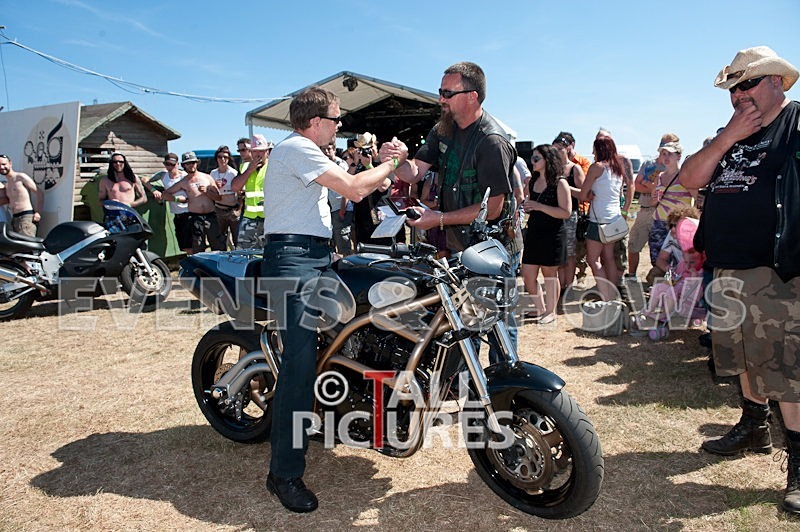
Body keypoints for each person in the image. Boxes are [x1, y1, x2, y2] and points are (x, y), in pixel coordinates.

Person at [261, 86, 405, 513]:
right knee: (300, 363)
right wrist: (390, 163)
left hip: (321, 255)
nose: (340, 126)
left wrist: (384, 168)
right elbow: (356, 189)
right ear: (315, 120)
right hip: (292, 260)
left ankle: (366, 418)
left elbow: (354, 192)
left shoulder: (314, 154)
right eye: (336, 118)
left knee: (367, 327)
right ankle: (283, 473)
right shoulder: (296, 148)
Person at [681, 45, 800, 515]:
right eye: (733, 87)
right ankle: (755, 426)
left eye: (747, 83)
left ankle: (799, 467)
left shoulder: (795, 124)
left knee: (787, 374)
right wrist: (727, 137)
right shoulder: (728, 134)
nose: (738, 95)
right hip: (726, 267)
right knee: (743, 360)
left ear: (776, 82)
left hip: (776, 271)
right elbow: (691, 179)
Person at [383, 61, 517, 363]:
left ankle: (505, 395)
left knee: (498, 328)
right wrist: (397, 160)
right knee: (464, 324)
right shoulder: (441, 129)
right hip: (458, 248)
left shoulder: (492, 141)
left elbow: (493, 209)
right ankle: (469, 394)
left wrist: (438, 219)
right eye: (440, 91)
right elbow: (415, 172)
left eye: (447, 92)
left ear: (472, 96)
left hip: (491, 250)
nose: (441, 99)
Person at [520, 145, 571, 324]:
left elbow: (566, 212)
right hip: (534, 231)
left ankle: (551, 311)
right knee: (527, 273)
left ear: (547, 160)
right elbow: (531, 205)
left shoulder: (560, 182)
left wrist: (539, 206)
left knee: (550, 274)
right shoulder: (533, 181)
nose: (532, 162)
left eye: (536, 158)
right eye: (532, 158)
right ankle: (540, 308)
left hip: (553, 233)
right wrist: (527, 207)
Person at [579, 136, 626, 301]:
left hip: (598, 220)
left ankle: (605, 296)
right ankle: (612, 295)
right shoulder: (617, 169)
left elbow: (584, 195)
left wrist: (589, 194)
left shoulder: (596, 167)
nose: (592, 152)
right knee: (609, 258)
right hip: (614, 219)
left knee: (594, 260)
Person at [626, 134, 678, 278]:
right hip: (645, 210)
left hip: (664, 213)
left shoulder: (676, 170)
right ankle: (631, 275)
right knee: (634, 243)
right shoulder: (649, 164)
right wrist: (654, 189)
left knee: (662, 248)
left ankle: (661, 278)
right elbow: (637, 185)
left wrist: (650, 187)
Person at [647, 141, 697, 270]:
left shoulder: (684, 176)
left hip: (678, 225)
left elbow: (697, 198)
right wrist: (654, 199)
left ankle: (677, 285)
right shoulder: (660, 176)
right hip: (659, 222)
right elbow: (652, 203)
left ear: (679, 156)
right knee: (657, 259)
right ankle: (667, 285)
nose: (666, 157)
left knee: (679, 260)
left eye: (670, 154)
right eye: (663, 154)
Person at [162, 151, 225, 254]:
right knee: (198, 248)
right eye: (188, 163)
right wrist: (177, 199)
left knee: (217, 246)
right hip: (195, 218)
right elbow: (165, 194)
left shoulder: (207, 177)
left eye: (193, 162)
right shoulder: (183, 182)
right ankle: (201, 269)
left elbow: (218, 197)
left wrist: (207, 191)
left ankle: (220, 268)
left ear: (197, 163)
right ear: (184, 166)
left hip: (211, 216)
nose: (191, 165)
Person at [552, 135, 586, 290]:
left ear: (567, 149)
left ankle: (569, 285)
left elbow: (583, 193)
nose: (557, 152)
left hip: (570, 215)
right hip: (554, 215)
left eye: (560, 148)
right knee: (558, 253)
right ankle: (561, 285)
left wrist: (565, 187)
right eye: (554, 149)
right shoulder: (551, 169)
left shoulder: (574, 168)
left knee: (570, 253)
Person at [144, 153, 192, 254]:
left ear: (178, 164)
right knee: (183, 245)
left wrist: (173, 199)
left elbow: (188, 198)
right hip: (177, 214)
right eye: (167, 164)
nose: (170, 167)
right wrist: (154, 191)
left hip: (188, 212)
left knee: (191, 244)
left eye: (172, 164)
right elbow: (145, 180)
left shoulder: (185, 176)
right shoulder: (162, 175)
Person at [231, 135, 271, 249]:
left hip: (269, 219)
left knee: (268, 253)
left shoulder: (273, 166)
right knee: (244, 253)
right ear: (251, 152)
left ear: (267, 152)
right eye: (255, 151)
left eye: (261, 151)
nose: (258, 154)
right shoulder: (245, 167)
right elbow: (234, 187)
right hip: (249, 219)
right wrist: (249, 170)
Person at [321, 142, 354, 255]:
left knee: (343, 242)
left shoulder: (341, 165)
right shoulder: (324, 164)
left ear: (334, 149)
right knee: (331, 241)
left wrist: (342, 209)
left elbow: (347, 188)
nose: (326, 152)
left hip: (341, 209)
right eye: (323, 149)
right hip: (330, 209)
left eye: (328, 149)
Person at [0, 154, 44, 237]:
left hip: (26, 217)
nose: (2, 167)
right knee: (19, 248)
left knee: (27, 248)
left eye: (4, 164)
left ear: (10, 163)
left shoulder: (20, 177)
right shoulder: (6, 184)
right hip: (15, 219)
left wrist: (38, 212)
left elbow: (39, 193)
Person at [210, 145, 240, 249]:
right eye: (220, 157)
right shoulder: (213, 173)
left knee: (237, 239)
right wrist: (215, 187)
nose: (222, 159)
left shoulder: (233, 173)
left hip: (232, 210)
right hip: (219, 209)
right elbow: (210, 192)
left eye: (225, 157)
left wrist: (239, 210)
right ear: (216, 158)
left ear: (228, 159)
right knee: (220, 239)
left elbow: (240, 192)